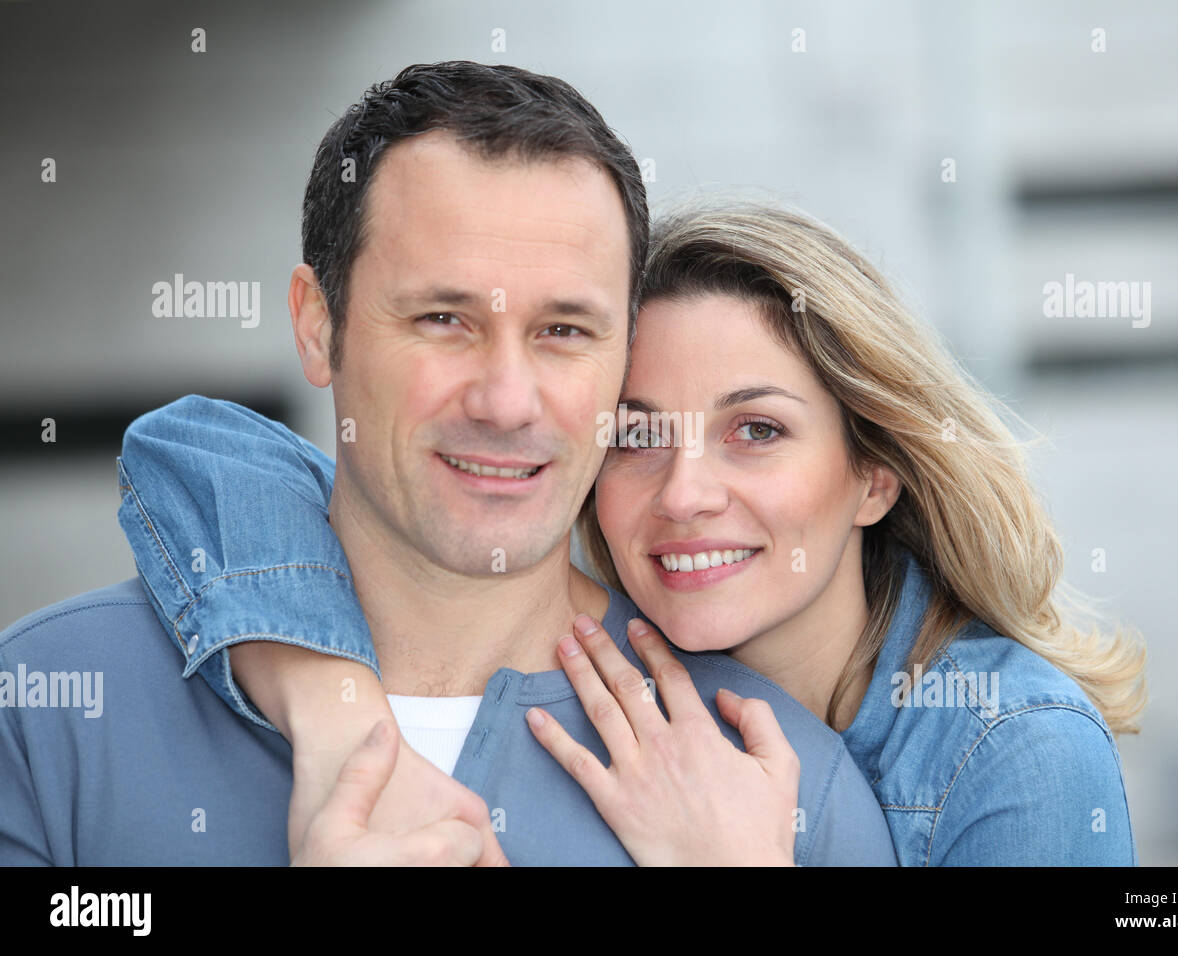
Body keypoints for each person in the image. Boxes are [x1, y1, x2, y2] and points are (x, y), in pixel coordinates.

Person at [0, 62, 894, 867]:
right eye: (444, 320)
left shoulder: (774, 793)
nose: (506, 401)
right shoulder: (49, 711)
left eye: (564, 332)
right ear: (319, 325)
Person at [114, 198, 1147, 865]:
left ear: (872, 474)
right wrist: (333, 708)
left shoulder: (1015, 748)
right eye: (638, 433)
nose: (684, 491)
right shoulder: (630, 679)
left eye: (756, 429)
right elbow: (194, 449)